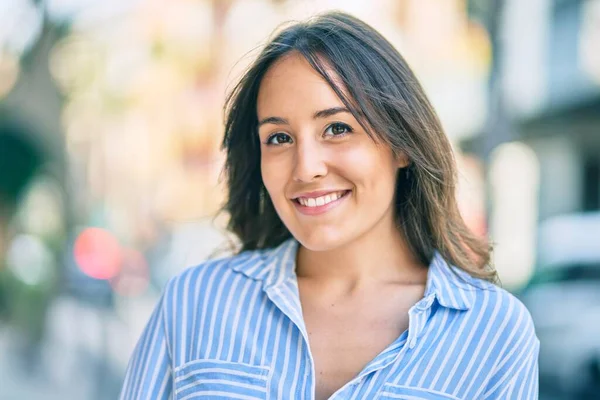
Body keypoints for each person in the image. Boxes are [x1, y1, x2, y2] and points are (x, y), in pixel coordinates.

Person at [120, 11, 539, 400]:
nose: (307, 167)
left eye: (337, 128)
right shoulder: (197, 301)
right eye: (279, 138)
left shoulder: (493, 332)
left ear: (401, 145)